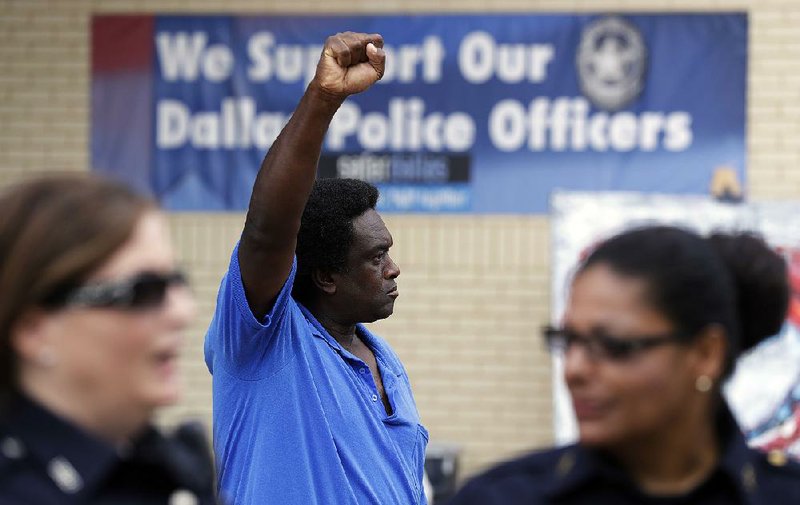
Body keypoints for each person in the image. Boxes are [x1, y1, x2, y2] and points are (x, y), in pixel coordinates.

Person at [204, 32, 428, 505]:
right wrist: (323, 99)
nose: (394, 269)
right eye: (375, 257)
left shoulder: (383, 361)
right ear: (325, 275)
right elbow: (267, 231)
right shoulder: (262, 341)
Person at [448, 226, 800, 504]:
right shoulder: (502, 497)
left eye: (613, 346)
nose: (574, 370)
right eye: (569, 341)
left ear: (706, 354)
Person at [0, 175, 218, 504]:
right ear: (34, 331)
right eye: (143, 291)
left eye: (177, 281)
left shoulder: (163, 470)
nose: (184, 310)